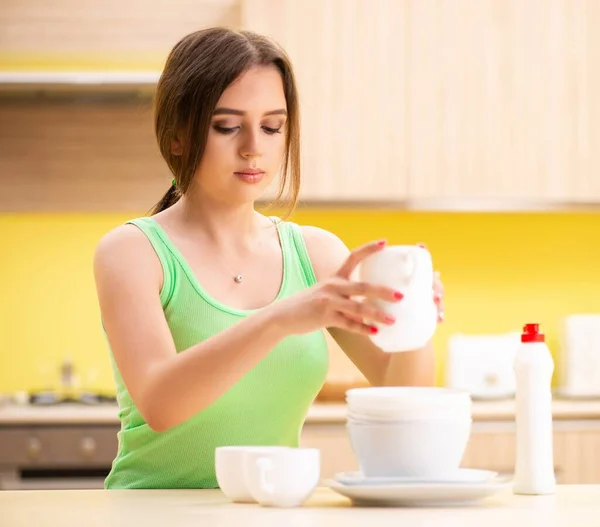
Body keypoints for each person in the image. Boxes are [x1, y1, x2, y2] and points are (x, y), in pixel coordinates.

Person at [93, 27, 444, 490]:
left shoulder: (316, 254)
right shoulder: (132, 252)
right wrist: (280, 318)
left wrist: (413, 321)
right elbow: (161, 404)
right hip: (153, 514)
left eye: (272, 126)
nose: (253, 146)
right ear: (178, 136)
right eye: (227, 126)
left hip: (271, 510)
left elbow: (406, 397)